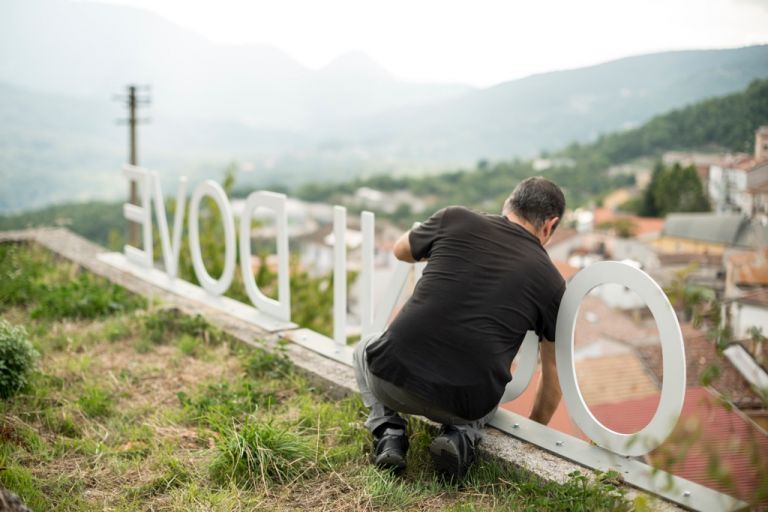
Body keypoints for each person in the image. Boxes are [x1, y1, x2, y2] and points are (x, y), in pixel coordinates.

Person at [353, 176, 566, 479]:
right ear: (550, 225)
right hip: (464, 404)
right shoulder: (552, 281)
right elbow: (553, 372)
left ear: (509, 204)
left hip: (390, 380)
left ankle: (389, 432)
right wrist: (533, 430)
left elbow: (401, 250)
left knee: (364, 349)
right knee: (489, 383)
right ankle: (459, 437)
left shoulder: (455, 219)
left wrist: (444, 249)